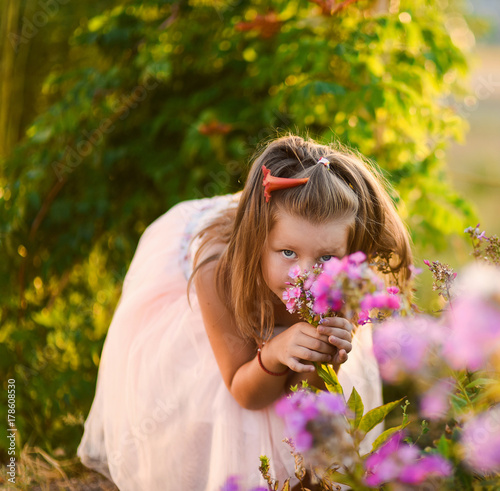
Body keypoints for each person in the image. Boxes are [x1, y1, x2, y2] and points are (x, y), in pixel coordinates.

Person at [77, 134, 413, 490]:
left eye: (326, 258)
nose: (304, 275)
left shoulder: (342, 283)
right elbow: (246, 392)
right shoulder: (216, 273)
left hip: (277, 324)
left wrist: (326, 360)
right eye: (287, 253)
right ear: (258, 240)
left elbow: (303, 397)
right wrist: (275, 351)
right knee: (211, 416)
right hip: (238, 351)